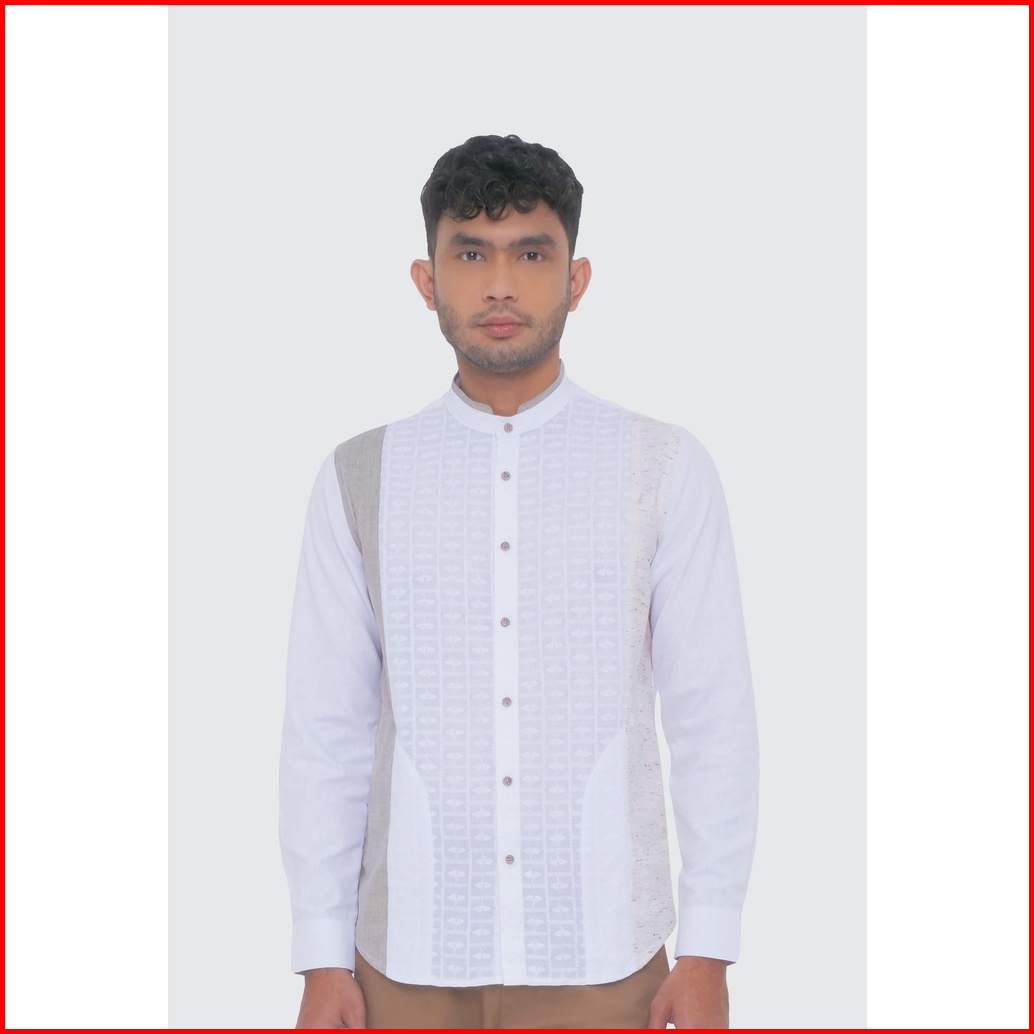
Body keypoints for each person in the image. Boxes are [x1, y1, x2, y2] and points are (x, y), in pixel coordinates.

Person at [280, 134, 759, 1029]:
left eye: (531, 255)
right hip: (401, 962)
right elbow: (326, 729)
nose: (500, 285)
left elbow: (712, 717)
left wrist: (708, 951)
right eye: (471, 254)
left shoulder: (661, 466)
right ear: (427, 279)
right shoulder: (361, 475)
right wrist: (319, 957)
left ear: (576, 279)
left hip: (608, 961)